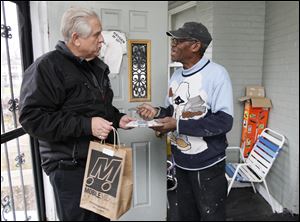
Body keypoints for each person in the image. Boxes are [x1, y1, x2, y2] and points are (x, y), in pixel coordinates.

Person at [19, 7, 135, 221]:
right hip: (71, 167)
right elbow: (32, 119)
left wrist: (118, 119)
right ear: (76, 38)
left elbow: (99, 107)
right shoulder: (46, 67)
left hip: (101, 160)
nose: (102, 40)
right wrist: (87, 125)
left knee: (103, 218)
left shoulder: (94, 66)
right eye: (96, 34)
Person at [137, 22, 234, 221]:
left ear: (195, 46)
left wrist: (177, 125)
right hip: (181, 162)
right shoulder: (176, 75)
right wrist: (156, 112)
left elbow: (224, 122)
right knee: (186, 215)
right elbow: (174, 111)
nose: (172, 44)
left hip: (207, 165)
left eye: (178, 40)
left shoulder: (217, 75)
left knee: (211, 216)